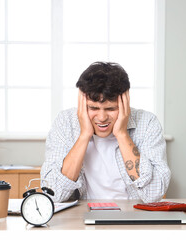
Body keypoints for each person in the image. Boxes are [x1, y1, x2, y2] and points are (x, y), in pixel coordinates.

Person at [41, 62, 171, 203]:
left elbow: (153, 195)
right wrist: (84, 135)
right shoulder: (65, 122)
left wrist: (122, 134)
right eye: (93, 108)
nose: (102, 118)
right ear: (82, 103)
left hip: (134, 217)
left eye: (110, 109)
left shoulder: (147, 123)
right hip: (82, 218)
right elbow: (53, 194)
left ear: (125, 103)